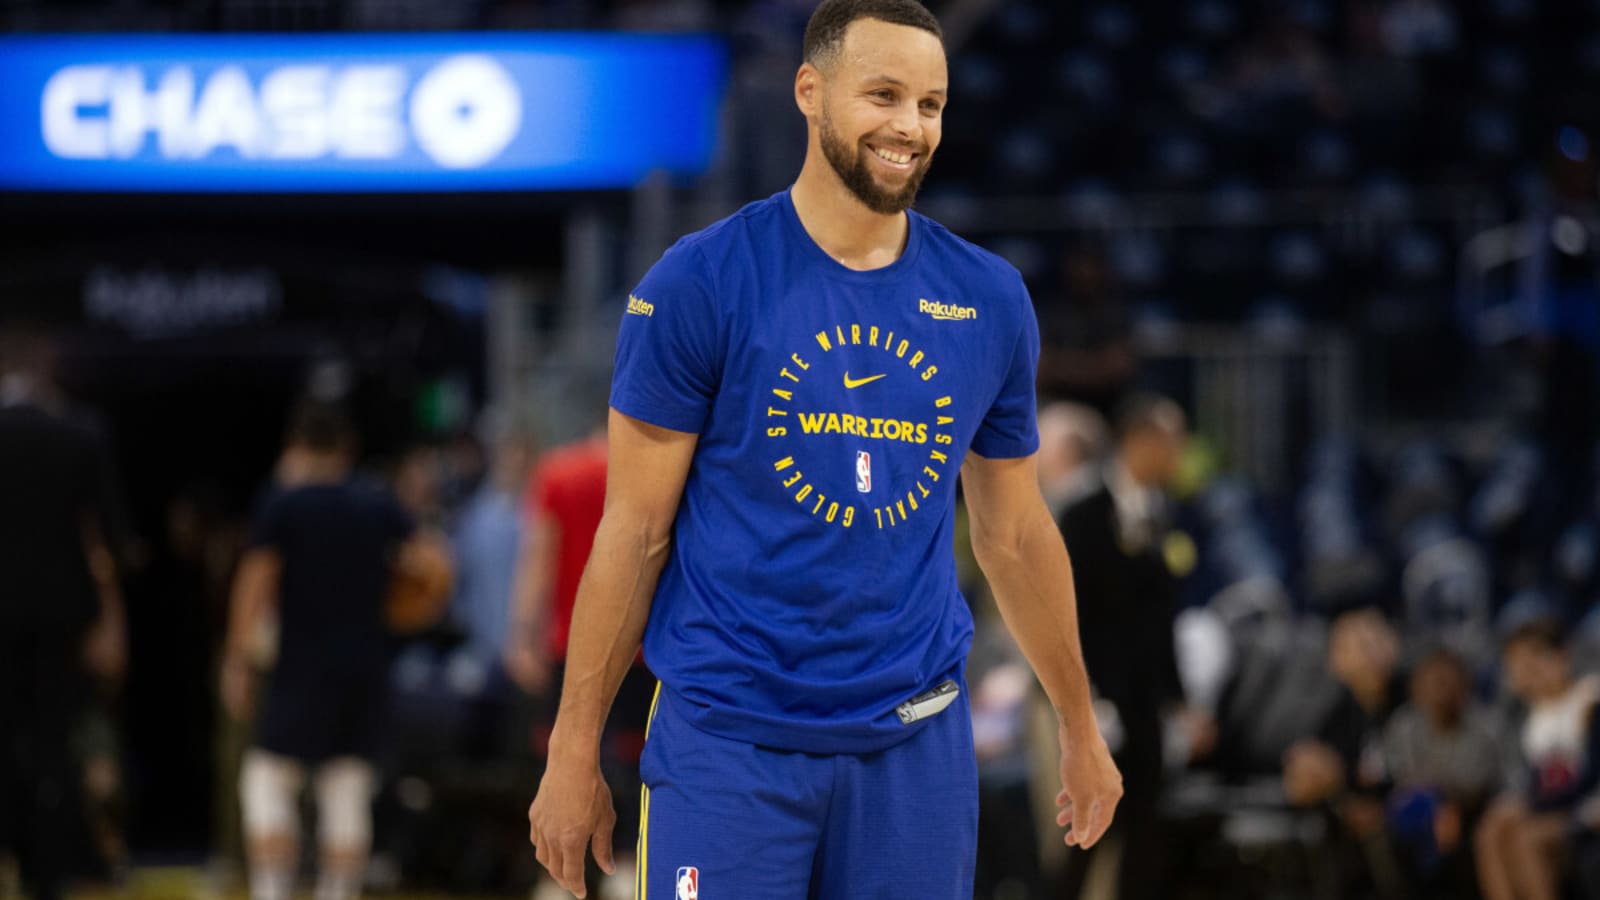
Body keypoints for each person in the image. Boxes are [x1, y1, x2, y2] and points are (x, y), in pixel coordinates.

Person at [523, 2, 1123, 897]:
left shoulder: (989, 300)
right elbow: (635, 532)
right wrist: (573, 752)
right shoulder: (698, 282)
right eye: (882, 95)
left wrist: (1078, 722)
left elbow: (1015, 535)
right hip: (730, 743)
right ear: (811, 91)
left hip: (913, 747)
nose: (908, 126)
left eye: (931, 104)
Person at [221, 402, 445, 900]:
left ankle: (272, 891)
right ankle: (338, 892)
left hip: (299, 664)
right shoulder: (376, 501)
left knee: (267, 781)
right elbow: (435, 565)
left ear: (297, 447)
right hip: (364, 665)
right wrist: (407, 613)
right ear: (346, 449)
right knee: (346, 792)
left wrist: (237, 657)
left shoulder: (283, 503)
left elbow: (255, 582)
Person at [0, 328, 126, 900]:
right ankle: (45, 875)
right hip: (60, 618)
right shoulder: (78, 433)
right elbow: (103, 541)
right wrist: (111, 620)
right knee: (53, 746)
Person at [507, 417, 654, 899]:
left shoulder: (557, 471)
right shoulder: (650, 470)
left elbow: (538, 558)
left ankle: (557, 876)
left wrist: (521, 635)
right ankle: (628, 867)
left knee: (563, 760)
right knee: (636, 763)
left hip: (570, 648)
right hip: (638, 649)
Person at [1056, 393, 1194, 900]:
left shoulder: (1166, 513)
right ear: (1139, 441)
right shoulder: (1083, 514)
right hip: (1095, 699)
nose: (1179, 454)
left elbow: (1164, 618)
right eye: (1171, 442)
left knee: (1145, 830)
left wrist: (1180, 698)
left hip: (1148, 701)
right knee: (1084, 834)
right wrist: (1081, 696)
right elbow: (1069, 614)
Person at [1475, 617, 1600, 900]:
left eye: (1536, 659)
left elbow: (1590, 777)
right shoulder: (1534, 716)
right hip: (1561, 803)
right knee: (1492, 829)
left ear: (1561, 655)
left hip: (1590, 804)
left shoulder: (1589, 699)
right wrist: (1525, 803)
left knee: (1526, 839)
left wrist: (1533, 805)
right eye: (1519, 663)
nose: (1528, 671)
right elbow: (1537, 779)